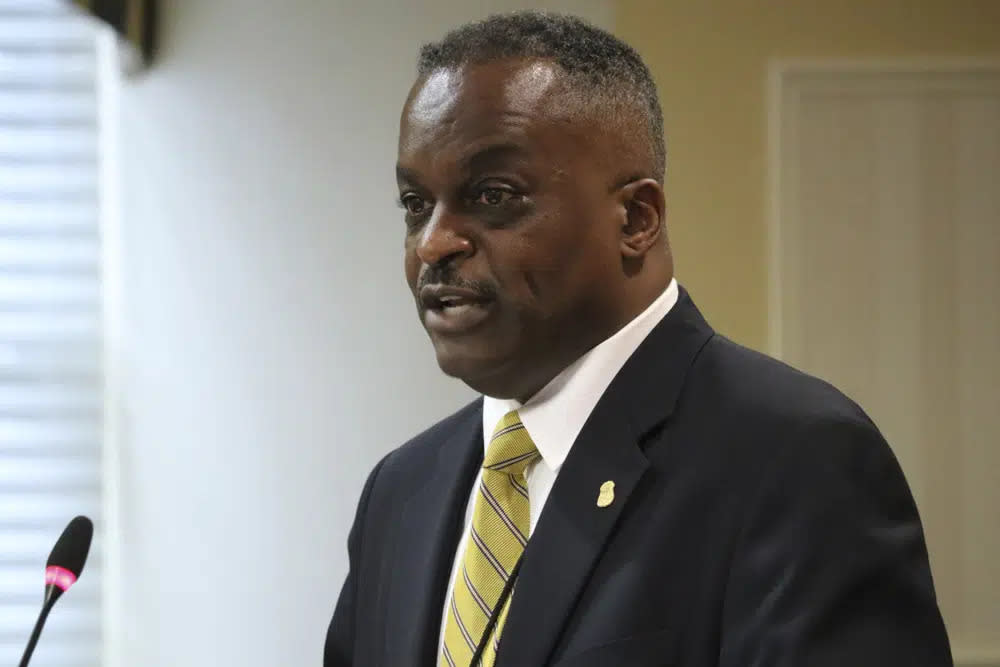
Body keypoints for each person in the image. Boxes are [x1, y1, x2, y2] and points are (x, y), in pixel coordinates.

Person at [325, 11, 952, 667]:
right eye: (415, 204)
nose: (433, 243)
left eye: (491, 195)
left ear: (636, 219)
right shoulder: (401, 492)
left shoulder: (797, 461)